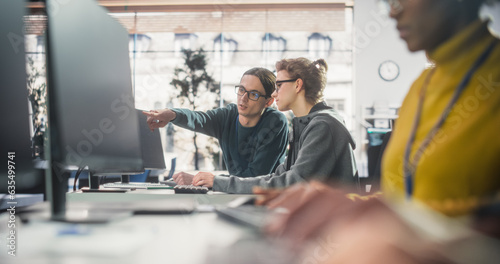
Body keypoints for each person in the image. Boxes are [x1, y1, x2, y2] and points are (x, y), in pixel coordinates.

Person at [253, 0, 500, 263]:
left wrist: (427, 235)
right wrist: (347, 201)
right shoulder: (420, 88)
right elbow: (403, 197)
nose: (393, 11)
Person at [190, 58, 359, 194]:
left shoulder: (322, 126)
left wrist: (220, 182)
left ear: (298, 85)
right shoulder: (304, 124)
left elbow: (292, 184)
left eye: (279, 85)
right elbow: (281, 176)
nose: (273, 93)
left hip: (332, 230)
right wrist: (220, 181)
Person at [143, 67, 289, 179]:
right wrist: (172, 115)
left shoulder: (275, 122)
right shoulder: (228, 116)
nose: (243, 99)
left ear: (268, 102)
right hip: (232, 192)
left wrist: (204, 180)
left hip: (264, 199)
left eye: (253, 94)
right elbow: (199, 119)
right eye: (241, 90)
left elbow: (256, 177)